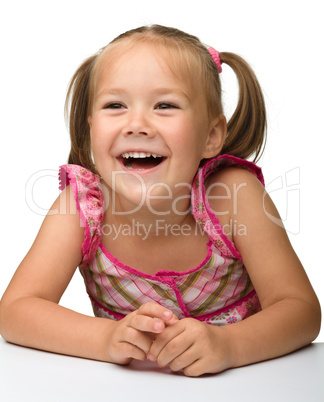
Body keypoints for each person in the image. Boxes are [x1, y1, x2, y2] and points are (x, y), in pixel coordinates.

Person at [0, 25, 321, 377]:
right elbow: (16, 310)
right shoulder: (80, 208)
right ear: (91, 127)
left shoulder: (233, 196)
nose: (136, 124)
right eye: (115, 105)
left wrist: (230, 346)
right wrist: (106, 338)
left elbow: (301, 310)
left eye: (165, 105)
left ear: (211, 136)